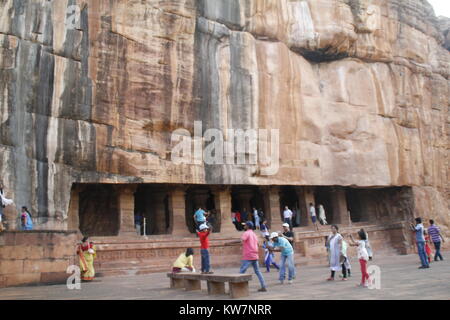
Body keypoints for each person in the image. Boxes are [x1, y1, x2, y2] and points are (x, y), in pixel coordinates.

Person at [227, 221, 267, 292]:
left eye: (245, 225)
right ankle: (263, 286)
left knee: (241, 272)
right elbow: (257, 244)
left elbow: (240, 241)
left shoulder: (246, 233)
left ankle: (237, 289)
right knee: (257, 271)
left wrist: (229, 243)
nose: (244, 226)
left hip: (248, 255)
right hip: (255, 255)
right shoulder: (254, 234)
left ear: (248, 226)